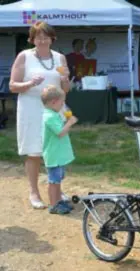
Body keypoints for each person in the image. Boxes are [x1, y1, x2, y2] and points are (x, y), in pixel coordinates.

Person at [9, 21, 71, 209]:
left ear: (52, 38)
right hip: (30, 109)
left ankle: (56, 189)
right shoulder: (24, 57)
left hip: (54, 110)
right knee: (34, 151)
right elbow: (13, 85)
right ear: (32, 39)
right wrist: (29, 84)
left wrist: (65, 79)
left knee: (56, 151)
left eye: (45, 36)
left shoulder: (60, 58)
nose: (42, 40)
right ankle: (34, 192)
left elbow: (66, 90)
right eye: (38, 37)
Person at [41, 85, 77, 214]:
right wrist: (70, 122)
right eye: (62, 102)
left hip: (57, 155)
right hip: (53, 155)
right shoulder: (49, 116)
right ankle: (54, 204)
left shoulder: (53, 114)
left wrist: (66, 121)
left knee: (58, 180)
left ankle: (58, 201)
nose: (63, 105)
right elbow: (60, 132)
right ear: (53, 102)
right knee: (54, 181)